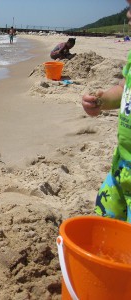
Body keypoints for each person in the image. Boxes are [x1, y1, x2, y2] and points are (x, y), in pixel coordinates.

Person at [81, 0, 131, 222]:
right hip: (123, 163)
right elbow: (123, 88)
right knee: (105, 215)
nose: (128, 14)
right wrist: (102, 101)